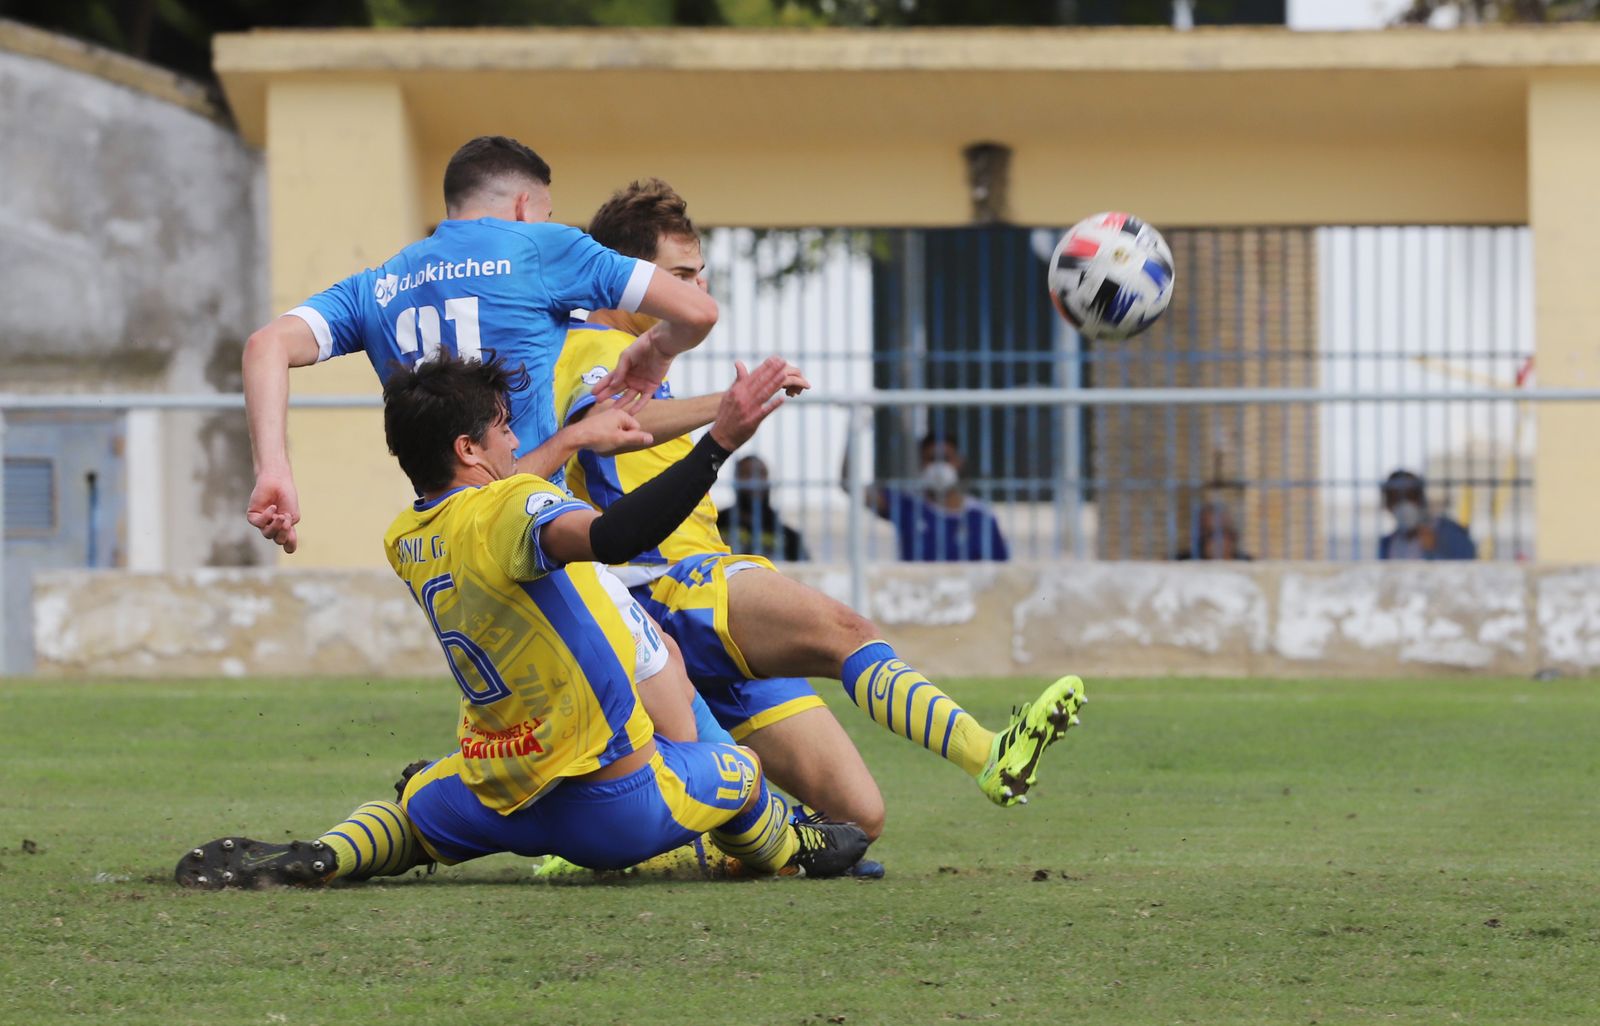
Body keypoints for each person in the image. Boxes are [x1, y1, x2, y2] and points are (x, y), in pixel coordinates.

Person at [176, 353, 868, 889]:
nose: (514, 443)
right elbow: (613, 536)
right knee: (740, 771)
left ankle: (329, 852)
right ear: (469, 449)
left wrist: (569, 441)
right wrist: (718, 441)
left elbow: (500, 513)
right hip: (611, 802)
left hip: (499, 790)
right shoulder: (513, 509)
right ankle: (793, 847)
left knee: (416, 812)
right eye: (504, 428)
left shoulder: (407, 536)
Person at [555, 179, 1084, 831]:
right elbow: (606, 423)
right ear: (631, 278)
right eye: (681, 277)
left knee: (856, 819)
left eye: (702, 276)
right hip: (657, 587)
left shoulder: (641, 355)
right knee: (846, 631)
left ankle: (688, 842)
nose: (699, 296)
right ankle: (990, 753)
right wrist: (728, 410)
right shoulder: (584, 346)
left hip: (700, 585)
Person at [242, 135, 720, 556]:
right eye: (545, 214)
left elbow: (266, 345)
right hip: (530, 525)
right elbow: (697, 311)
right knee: (659, 657)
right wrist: (657, 351)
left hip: (441, 538)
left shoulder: (377, 285)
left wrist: (274, 470)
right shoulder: (541, 248)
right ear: (522, 207)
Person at [846, 433, 1009, 562]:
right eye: (931, 459)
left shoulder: (981, 517)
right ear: (921, 464)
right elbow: (850, 485)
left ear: (959, 462)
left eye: (945, 459)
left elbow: (1001, 570)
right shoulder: (908, 506)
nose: (939, 467)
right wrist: (854, 428)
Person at [717, 456, 809, 562]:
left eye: (761, 474)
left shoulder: (787, 536)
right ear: (736, 480)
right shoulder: (716, 526)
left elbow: (806, 571)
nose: (755, 481)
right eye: (747, 474)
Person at [1378, 470, 1476, 561]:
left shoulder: (1450, 531)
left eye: (1410, 496)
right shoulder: (1386, 544)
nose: (1404, 504)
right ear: (1388, 504)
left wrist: (1435, 551)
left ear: (1421, 498)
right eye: (1395, 498)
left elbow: (1469, 566)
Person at [1174, 502, 1253, 561]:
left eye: (1223, 531)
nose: (1217, 540)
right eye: (1210, 534)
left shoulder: (1246, 562)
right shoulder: (1182, 561)